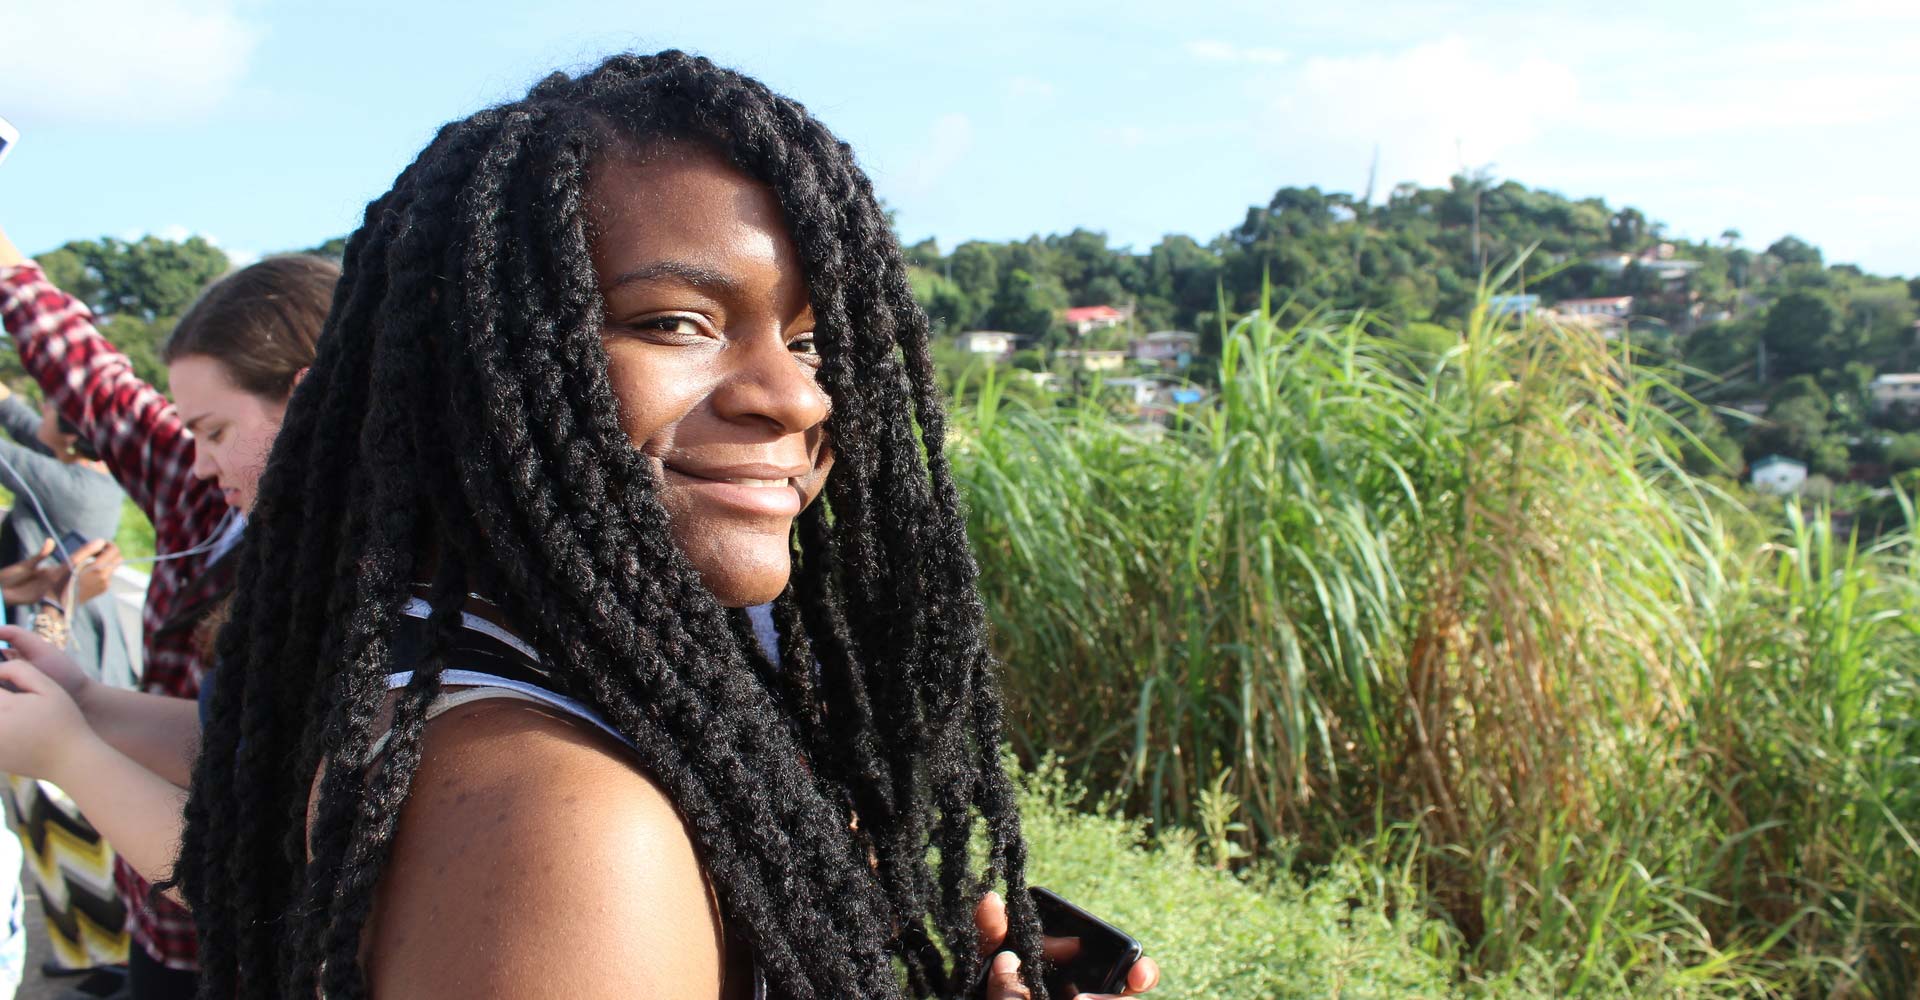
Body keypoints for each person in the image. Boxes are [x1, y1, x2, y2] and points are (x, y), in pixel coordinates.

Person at [0, 241, 337, 1000]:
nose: (198, 464)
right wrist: (83, 701)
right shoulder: (215, 504)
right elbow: (236, 754)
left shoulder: (372, 598)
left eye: (213, 432)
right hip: (166, 927)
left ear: (311, 398)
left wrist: (66, 750)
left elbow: (261, 880)